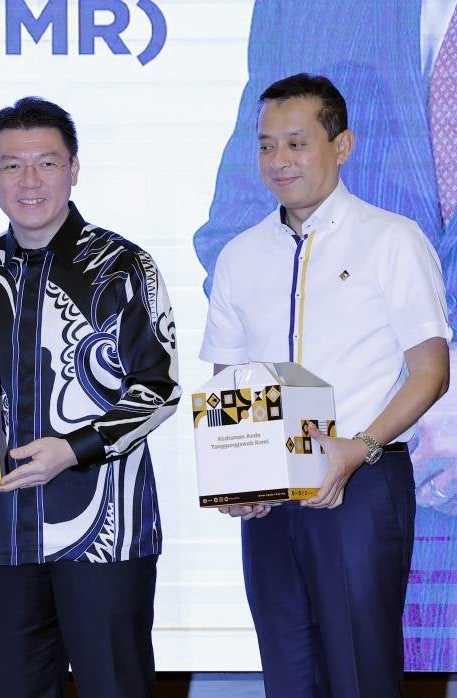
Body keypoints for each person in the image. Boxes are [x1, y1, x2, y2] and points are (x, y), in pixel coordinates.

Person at [194, 6, 457, 669]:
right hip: (269, 488)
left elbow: (430, 366)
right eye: (266, 144)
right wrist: (235, 476)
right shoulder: (240, 254)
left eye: (297, 142)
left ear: (341, 146)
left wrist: (359, 447)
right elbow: (227, 378)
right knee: (287, 668)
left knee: (360, 668)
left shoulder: (391, 239)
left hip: (365, 479)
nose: (279, 160)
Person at [0, 97, 180, 697]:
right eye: (11, 165)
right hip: (0, 532)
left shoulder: (124, 267)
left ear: (73, 169)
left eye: (46, 163)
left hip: (108, 536)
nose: (29, 180)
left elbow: (162, 388)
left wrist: (73, 450)